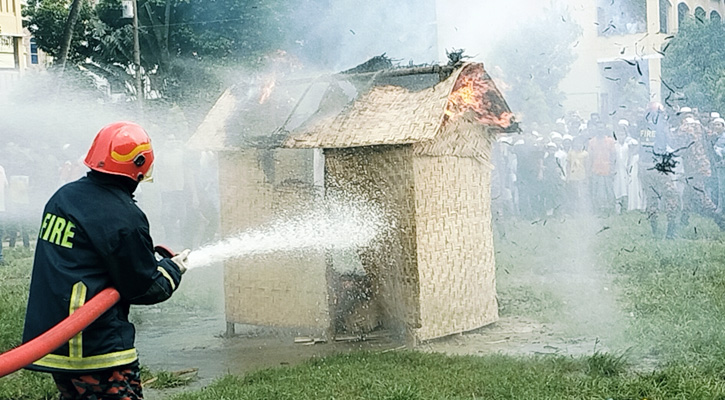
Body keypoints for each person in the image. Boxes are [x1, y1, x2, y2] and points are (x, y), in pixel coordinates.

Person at [22, 121, 191, 400]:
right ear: (140, 165)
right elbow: (145, 287)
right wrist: (173, 269)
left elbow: (88, 257)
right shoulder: (122, 216)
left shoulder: (63, 197)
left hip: (55, 341)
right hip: (94, 347)